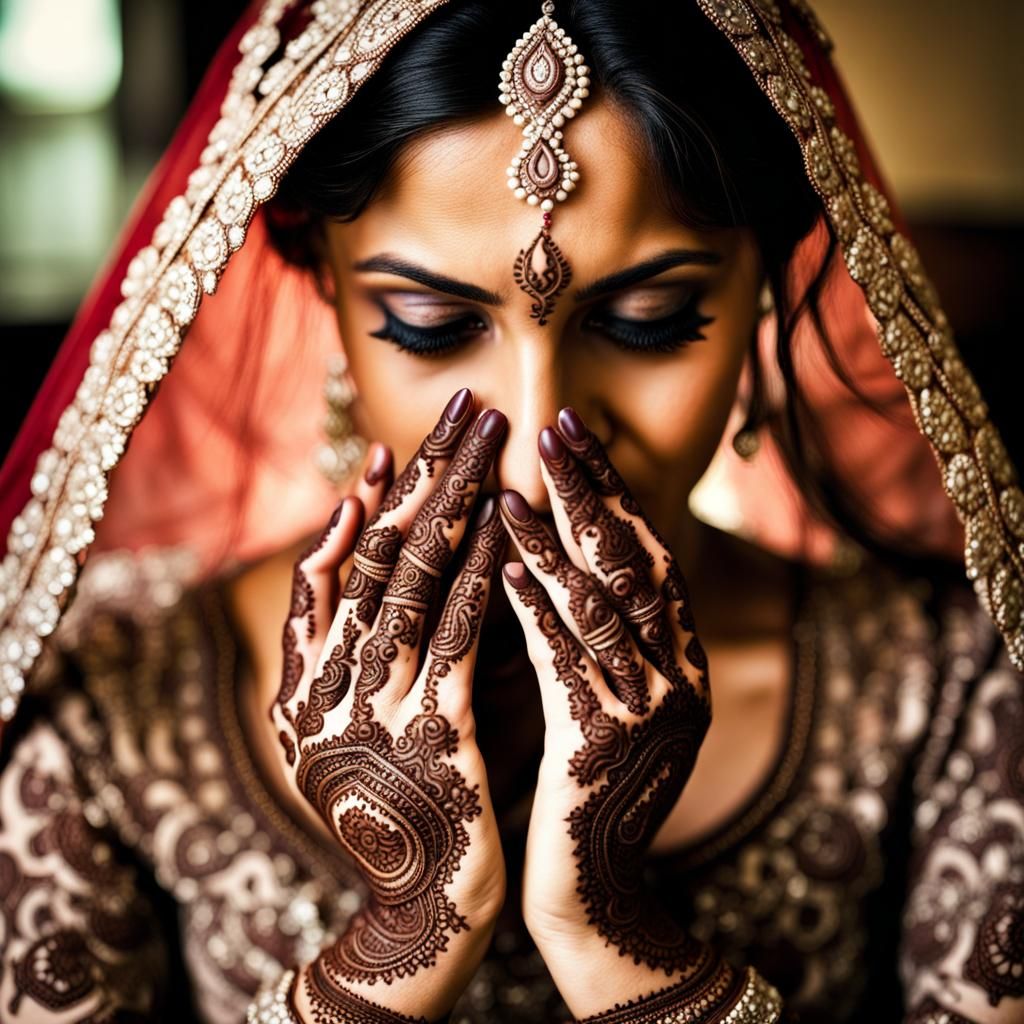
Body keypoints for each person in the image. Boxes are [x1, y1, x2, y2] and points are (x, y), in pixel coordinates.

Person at [0, 1, 1021, 1021]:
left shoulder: (949, 690)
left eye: (648, 321)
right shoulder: (106, 699)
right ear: (321, 282)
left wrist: (612, 935)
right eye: (433, 325)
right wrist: (404, 938)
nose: (538, 437)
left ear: (765, 285)